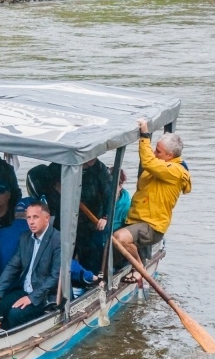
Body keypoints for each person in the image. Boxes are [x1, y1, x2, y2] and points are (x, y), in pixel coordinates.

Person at [113, 118, 192, 280]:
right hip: (136, 219)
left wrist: (145, 136)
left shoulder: (175, 171)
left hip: (152, 226)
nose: (155, 154)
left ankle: (139, 268)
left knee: (119, 238)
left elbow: (148, 162)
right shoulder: (161, 165)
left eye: (158, 152)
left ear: (170, 155)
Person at [0, 201, 61, 329]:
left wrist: (32, 298)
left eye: (35, 217)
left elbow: (55, 277)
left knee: (15, 314)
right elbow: (12, 267)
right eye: (28, 217)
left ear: (47, 218)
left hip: (46, 295)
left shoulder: (58, 240)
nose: (31, 222)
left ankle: (11, 338)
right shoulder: (25, 237)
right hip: (24, 290)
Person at [75, 157, 113, 274]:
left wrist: (105, 217)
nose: (92, 159)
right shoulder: (65, 164)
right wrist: (56, 186)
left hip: (92, 220)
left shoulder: (100, 169)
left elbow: (109, 195)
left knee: (91, 254)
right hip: (68, 219)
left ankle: (94, 277)